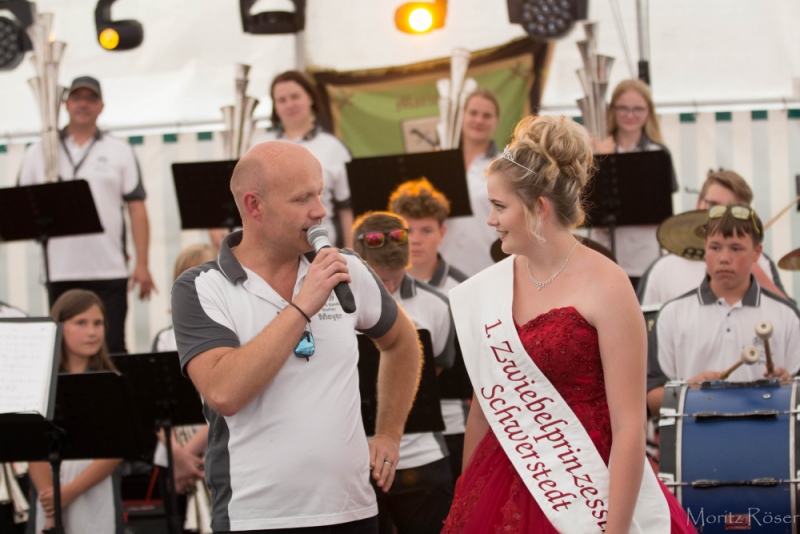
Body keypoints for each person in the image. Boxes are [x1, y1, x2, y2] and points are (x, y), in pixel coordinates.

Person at [442, 115, 694, 533]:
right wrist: (466, 498)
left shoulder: (608, 284)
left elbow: (629, 426)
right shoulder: (490, 287)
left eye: (500, 206)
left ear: (539, 208)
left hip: (590, 483)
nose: (490, 219)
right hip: (505, 472)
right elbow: (483, 411)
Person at [171, 141, 421, 532]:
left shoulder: (345, 268)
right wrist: (303, 305)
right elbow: (224, 392)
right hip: (256, 518)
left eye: (320, 194)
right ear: (254, 206)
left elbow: (402, 342)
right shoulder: (201, 287)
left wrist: (389, 433)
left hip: (353, 511)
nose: (319, 211)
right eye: (303, 198)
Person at [17, 76, 155, 354]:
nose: (83, 104)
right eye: (77, 98)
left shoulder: (119, 150)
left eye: (91, 99)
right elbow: (21, 205)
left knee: (112, 347)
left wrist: (142, 263)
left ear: (101, 106)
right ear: (65, 103)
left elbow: (136, 208)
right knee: (64, 353)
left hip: (109, 269)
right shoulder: (38, 151)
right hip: (60, 270)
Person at [352, 212, 455, 534]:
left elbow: (436, 368)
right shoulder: (333, 303)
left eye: (395, 279)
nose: (389, 289)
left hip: (422, 457)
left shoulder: (437, 304)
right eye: (380, 280)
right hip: (355, 460)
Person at [646, 205, 800, 415]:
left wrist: (789, 389)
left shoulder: (787, 315)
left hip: (768, 433)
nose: (724, 257)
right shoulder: (671, 315)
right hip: (696, 434)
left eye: (736, 248)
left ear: (757, 252)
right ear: (705, 248)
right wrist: (688, 393)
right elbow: (652, 399)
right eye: (715, 247)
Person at [388, 179, 470, 480]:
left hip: (451, 425)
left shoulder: (463, 288)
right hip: (391, 428)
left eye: (426, 230)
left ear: (442, 233)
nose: (416, 240)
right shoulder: (376, 285)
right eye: (407, 231)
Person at [28, 290, 123, 534]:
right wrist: (52, 502)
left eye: (98, 323)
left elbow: (117, 448)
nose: (92, 332)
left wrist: (70, 492)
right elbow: (31, 446)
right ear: (60, 327)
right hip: (48, 491)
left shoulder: (111, 381)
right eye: (81, 323)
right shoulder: (40, 380)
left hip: (94, 489)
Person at [638, 170, 787, 305]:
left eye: (732, 209)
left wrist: (751, 265)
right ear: (699, 203)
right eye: (713, 205)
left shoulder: (760, 262)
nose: (722, 215)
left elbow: (788, 315)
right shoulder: (662, 268)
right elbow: (644, 322)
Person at [247, 70, 354, 249]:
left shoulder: (334, 147)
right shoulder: (258, 145)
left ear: (310, 98)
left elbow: (346, 209)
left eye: (295, 96)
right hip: (267, 250)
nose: (289, 104)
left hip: (320, 248)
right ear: (275, 106)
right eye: (282, 100)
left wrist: (350, 253)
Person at [151, 244, 215, 525]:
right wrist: (176, 454)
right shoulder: (164, 338)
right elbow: (155, 404)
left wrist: (187, 456)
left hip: (212, 447)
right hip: (172, 453)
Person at [590, 78, 677, 287]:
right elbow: (586, 205)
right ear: (612, 110)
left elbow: (663, 211)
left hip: (644, 257)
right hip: (604, 255)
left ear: (648, 111)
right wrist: (602, 160)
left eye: (638, 109)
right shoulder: (596, 150)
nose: (630, 115)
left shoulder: (658, 152)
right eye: (623, 108)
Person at [438, 89, 502, 277]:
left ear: (496, 122)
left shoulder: (503, 166)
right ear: (462, 116)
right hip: (443, 268)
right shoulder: (440, 162)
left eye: (486, 115)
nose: (479, 120)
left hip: (486, 266)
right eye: (473, 113)